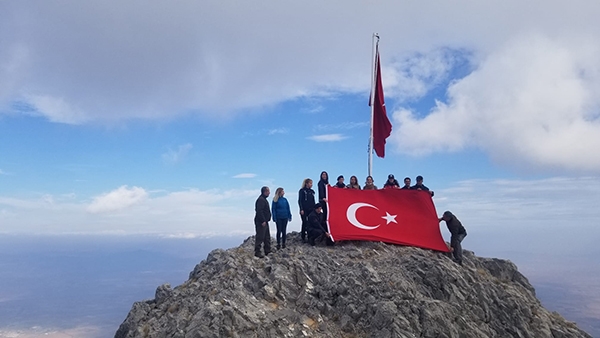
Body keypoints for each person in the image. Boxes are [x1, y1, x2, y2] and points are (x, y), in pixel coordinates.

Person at [254, 186, 272, 258]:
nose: (269, 193)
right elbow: (259, 211)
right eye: (268, 191)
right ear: (264, 192)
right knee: (260, 237)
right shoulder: (261, 200)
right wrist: (263, 220)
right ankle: (257, 252)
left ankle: (267, 250)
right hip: (261, 221)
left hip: (265, 221)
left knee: (267, 236)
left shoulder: (263, 199)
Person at [298, 178, 316, 243]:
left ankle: (309, 237)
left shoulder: (312, 192)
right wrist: (301, 209)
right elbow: (300, 201)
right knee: (304, 222)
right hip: (304, 210)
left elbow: (313, 201)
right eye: (310, 183)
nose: (311, 185)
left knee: (310, 223)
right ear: (306, 183)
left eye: (312, 183)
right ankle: (303, 237)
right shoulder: (302, 191)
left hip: (311, 209)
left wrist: (315, 209)